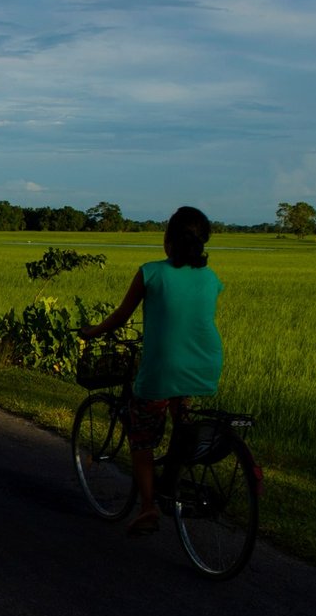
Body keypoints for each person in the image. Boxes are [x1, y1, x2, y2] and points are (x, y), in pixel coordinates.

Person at [80, 205, 223, 535]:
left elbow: (120, 317)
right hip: (203, 364)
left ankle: (148, 507)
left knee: (142, 438)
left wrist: (92, 332)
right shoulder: (211, 278)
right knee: (180, 420)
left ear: (169, 240)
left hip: (162, 370)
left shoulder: (151, 272)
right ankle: (170, 480)